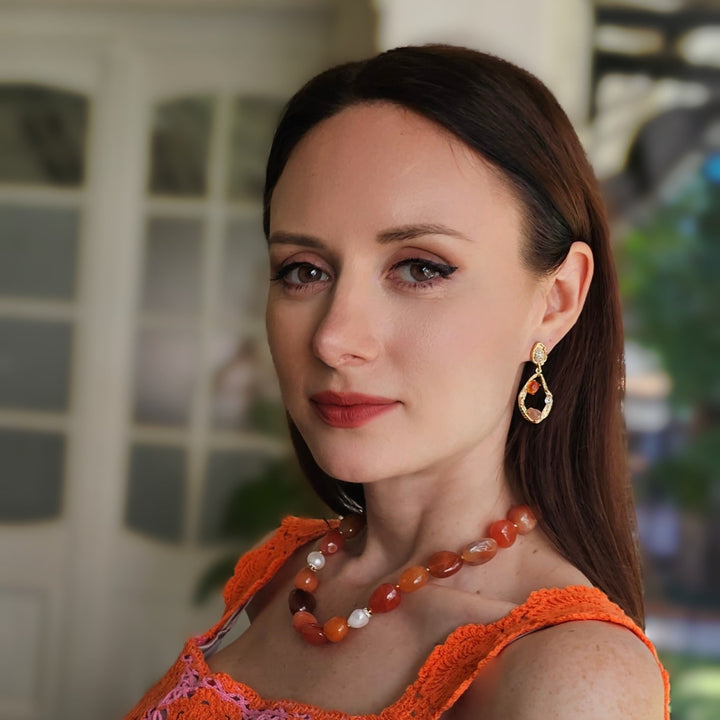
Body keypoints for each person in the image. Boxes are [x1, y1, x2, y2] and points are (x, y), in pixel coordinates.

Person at [124, 45, 669, 719]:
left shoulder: (573, 676)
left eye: (420, 268)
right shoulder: (289, 575)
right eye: (303, 270)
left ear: (556, 300)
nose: (333, 337)